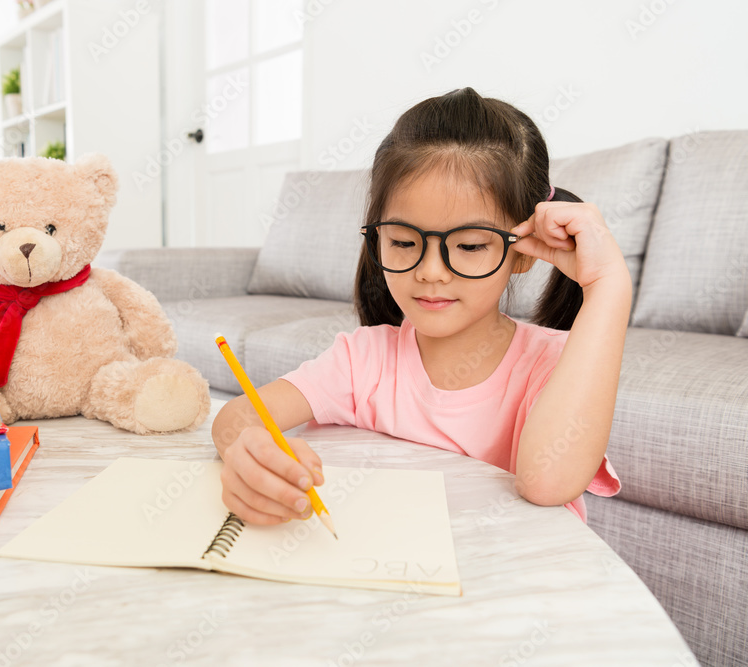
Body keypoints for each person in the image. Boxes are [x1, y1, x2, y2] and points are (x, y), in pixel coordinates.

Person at [212, 87, 628, 524]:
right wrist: (252, 455)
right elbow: (237, 417)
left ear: (523, 250)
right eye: (405, 242)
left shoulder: (558, 364)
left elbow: (548, 483)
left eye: (468, 245)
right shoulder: (361, 359)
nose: (431, 271)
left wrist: (608, 286)